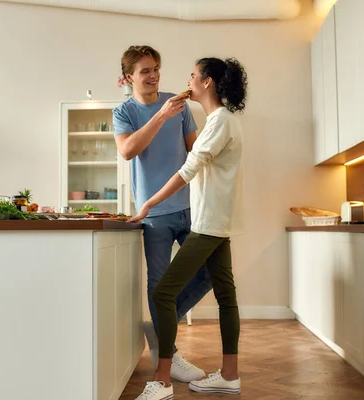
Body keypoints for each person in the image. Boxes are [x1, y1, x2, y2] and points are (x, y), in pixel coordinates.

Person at [130, 57, 248, 400]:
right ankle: (229, 375)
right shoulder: (222, 120)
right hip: (217, 220)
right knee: (226, 297)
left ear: (207, 82)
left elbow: (189, 168)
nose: (189, 80)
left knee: (163, 294)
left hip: (209, 223)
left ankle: (163, 382)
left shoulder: (219, 121)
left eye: (194, 76)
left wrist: (149, 203)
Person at [112, 45, 212, 383]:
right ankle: (168, 354)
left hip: (191, 207)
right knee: (160, 285)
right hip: (153, 212)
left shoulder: (179, 105)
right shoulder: (123, 111)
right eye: (145, 71)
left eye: (155, 68)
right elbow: (127, 151)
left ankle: (158, 331)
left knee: (212, 270)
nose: (153, 75)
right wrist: (160, 116)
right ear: (129, 77)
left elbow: (196, 151)